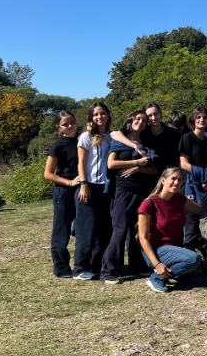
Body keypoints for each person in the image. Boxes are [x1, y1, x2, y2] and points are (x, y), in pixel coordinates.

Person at [102, 111, 158, 283]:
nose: (140, 122)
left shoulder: (147, 144)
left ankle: (138, 266)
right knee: (120, 230)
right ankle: (109, 272)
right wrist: (136, 162)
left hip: (143, 191)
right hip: (123, 191)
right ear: (130, 121)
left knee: (138, 230)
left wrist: (140, 169)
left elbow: (155, 170)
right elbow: (111, 164)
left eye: (144, 120)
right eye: (137, 119)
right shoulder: (120, 140)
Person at [137, 167, 204, 293]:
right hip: (157, 251)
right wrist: (157, 264)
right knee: (194, 259)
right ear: (163, 180)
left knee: (200, 280)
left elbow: (200, 210)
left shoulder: (179, 199)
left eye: (180, 180)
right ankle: (157, 277)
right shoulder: (148, 204)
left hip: (177, 250)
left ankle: (173, 274)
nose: (176, 183)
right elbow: (143, 238)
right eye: (173, 179)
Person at [73, 102, 113, 281]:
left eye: (102, 113)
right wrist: (83, 184)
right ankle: (80, 268)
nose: (99, 117)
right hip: (89, 186)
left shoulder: (112, 136)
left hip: (107, 188)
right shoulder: (86, 137)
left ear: (108, 115)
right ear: (91, 117)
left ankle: (96, 265)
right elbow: (81, 163)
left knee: (104, 230)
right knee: (86, 230)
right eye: (96, 114)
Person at [43, 110, 80, 278]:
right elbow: (48, 173)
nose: (70, 126)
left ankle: (84, 263)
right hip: (64, 191)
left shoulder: (84, 138)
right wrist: (69, 182)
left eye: (72, 122)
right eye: (66, 124)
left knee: (83, 226)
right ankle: (61, 267)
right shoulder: (58, 146)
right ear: (59, 127)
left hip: (82, 188)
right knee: (61, 229)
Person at [178, 107, 207, 250]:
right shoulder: (187, 138)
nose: (202, 120)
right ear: (193, 120)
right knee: (191, 225)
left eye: (205, 117)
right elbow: (184, 164)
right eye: (199, 117)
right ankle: (189, 257)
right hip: (190, 187)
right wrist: (203, 175)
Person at [110, 102, 180, 173]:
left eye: (156, 114)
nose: (154, 118)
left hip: (169, 172)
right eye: (150, 115)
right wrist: (136, 147)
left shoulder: (172, 133)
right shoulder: (143, 132)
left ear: (160, 113)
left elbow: (178, 155)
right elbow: (114, 134)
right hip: (150, 175)